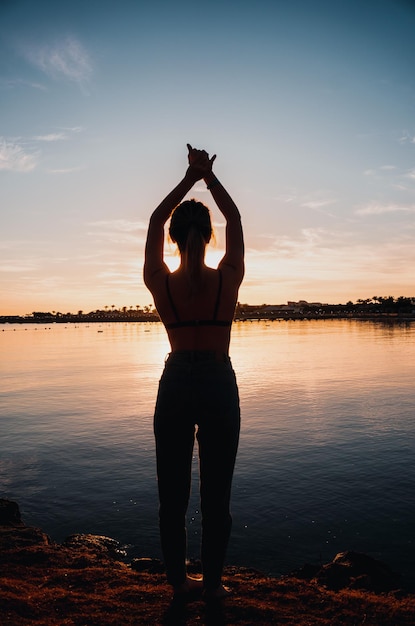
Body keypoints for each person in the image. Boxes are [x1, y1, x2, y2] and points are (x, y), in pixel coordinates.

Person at [143, 144, 244, 600]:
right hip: (218, 380)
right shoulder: (228, 278)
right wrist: (207, 177)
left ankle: (179, 582)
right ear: (208, 235)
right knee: (216, 495)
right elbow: (236, 220)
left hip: (176, 378)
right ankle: (215, 584)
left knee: (173, 495)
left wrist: (188, 178)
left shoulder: (161, 282)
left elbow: (152, 222)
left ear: (173, 237)